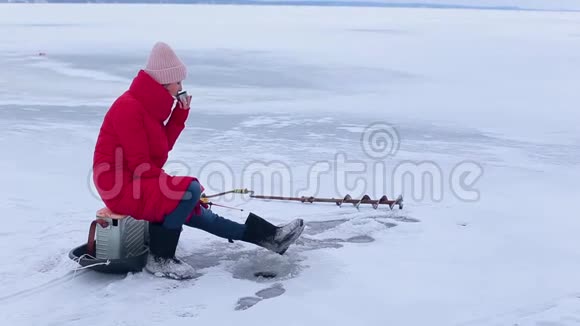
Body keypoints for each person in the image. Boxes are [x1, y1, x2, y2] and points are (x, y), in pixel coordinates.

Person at [92, 42, 305, 280]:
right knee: (188, 192)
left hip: (137, 178)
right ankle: (161, 259)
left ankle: (270, 238)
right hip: (119, 186)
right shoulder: (129, 108)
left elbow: (158, 154)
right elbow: (142, 163)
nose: (181, 87)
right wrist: (179, 189)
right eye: (178, 82)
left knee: (195, 207)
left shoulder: (147, 108)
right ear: (164, 82)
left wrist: (178, 115)